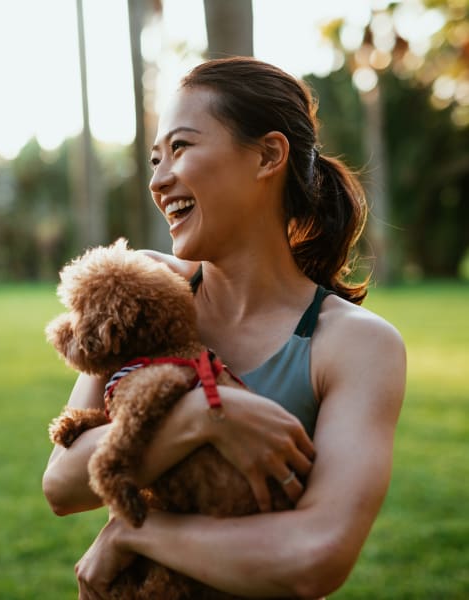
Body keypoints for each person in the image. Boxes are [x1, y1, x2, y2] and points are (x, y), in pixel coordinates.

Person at [42, 56, 406, 599]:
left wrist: (136, 533)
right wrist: (203, 414)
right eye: (155, 157)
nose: (158, 180)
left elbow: (316, 556)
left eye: (181, 148)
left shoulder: (356, 345)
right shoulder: (143, 289)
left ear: (267, 155)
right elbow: (63, 484)